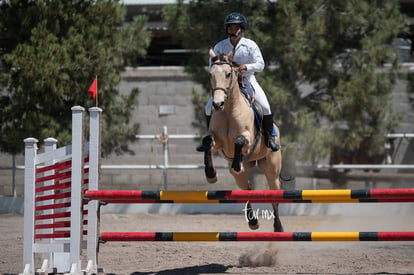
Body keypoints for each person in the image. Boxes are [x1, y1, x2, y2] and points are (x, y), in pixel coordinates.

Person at [197, 12, 280, 152]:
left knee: (265, 107)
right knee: (207, 107)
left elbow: (261, 64)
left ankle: (269, 137)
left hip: (247, 79)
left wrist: (246, 67)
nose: (233, 30)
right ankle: (208, 138)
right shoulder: (220, 47)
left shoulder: (250, 45)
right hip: (226, 83)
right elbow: (212, 66)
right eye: (230, 28)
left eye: (236, 28)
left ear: (242, 29)